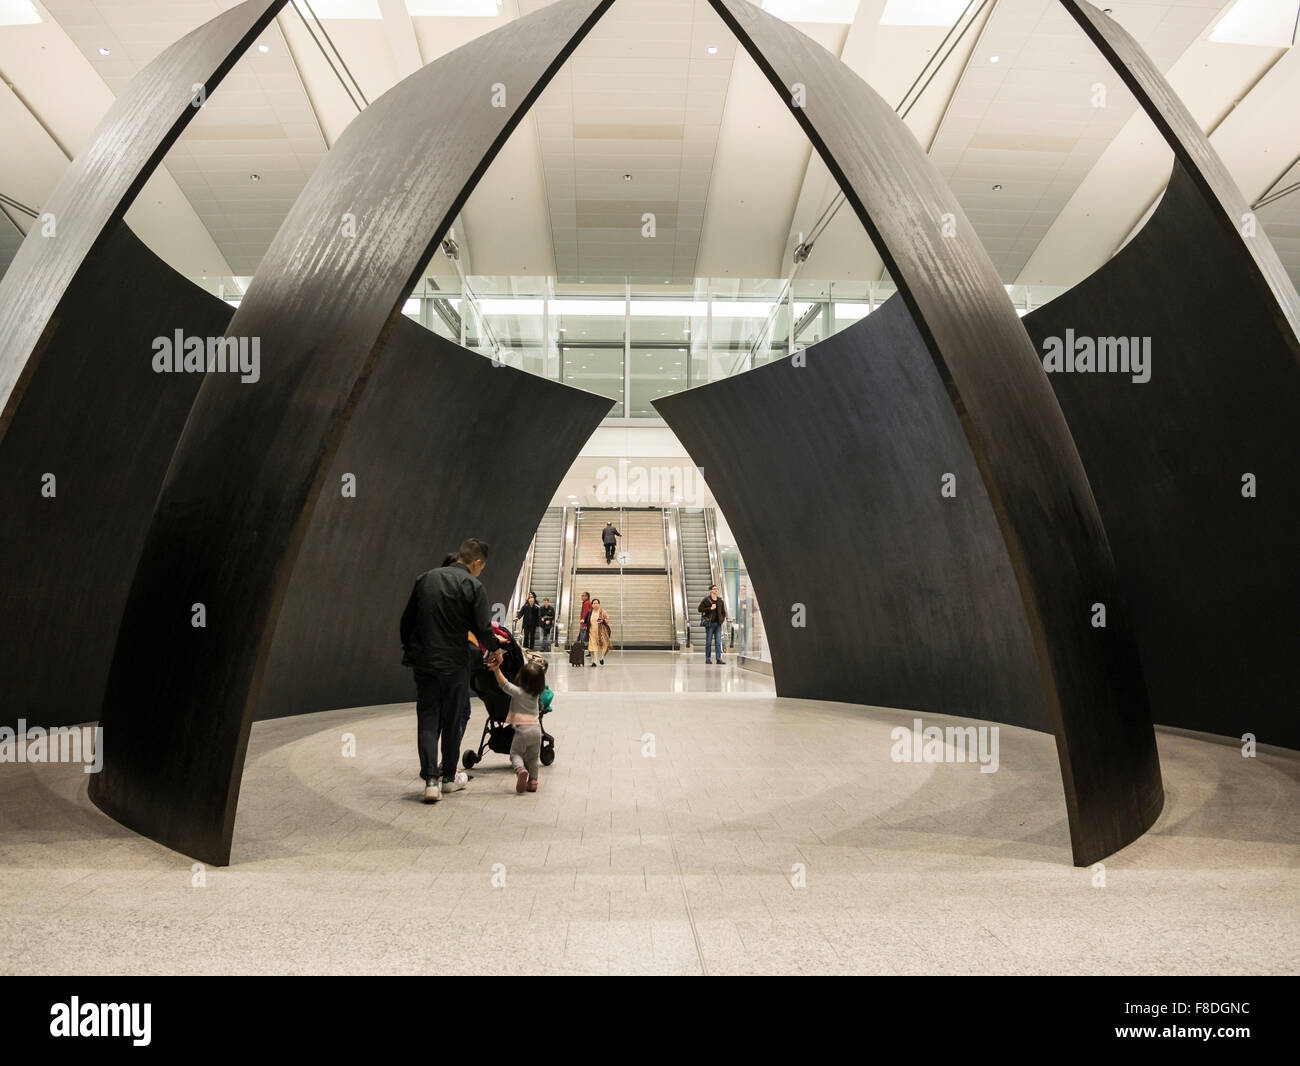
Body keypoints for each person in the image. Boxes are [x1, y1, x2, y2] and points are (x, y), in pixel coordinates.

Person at [400, 538, 502, 803]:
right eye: (482, 567)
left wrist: (411, 648)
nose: (481, 571)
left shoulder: (425, 579)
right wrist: (495, 650)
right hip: (455, 664)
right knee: (452, 719)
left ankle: (430, 781)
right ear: (477, 562)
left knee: (428, 718)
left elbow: (407, 620)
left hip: (425, 663)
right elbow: (482, 628)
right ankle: (448, 778)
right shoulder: (473, 585)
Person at [490, 656, 547, 794]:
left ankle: (520, 770)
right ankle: (533, 781)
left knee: (515, 754)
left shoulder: (518, 692)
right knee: (533, 758)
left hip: (522, 731)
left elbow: (504, 684)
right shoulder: (537, 694)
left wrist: (496, 669)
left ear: (522, 679)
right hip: (536, 730)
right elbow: (538, 676)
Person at [698, 584, 727, 665]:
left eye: (717, 589)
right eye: (714, 589)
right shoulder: (706, 600)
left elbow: (723, 612)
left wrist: (722, 619)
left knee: (718, 642)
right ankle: (708, 658)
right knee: (708, 642)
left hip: (718, 624)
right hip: (710, 624)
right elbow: (700, 609)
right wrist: (710, 608)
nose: (716, 590)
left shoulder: (720, 600)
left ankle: (718, 659)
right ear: (710, 590)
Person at [588, 597, 612, 666]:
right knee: (593, 647)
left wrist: (603, 621)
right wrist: (583, 621)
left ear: (599, 604)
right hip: (592, 632)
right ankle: (594, 662)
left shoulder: (602, 611)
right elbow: (586, 620)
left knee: (601, 647)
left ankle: (601, 658)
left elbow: (607, 620)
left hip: (600, 632)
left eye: (597, 603)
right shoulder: (590, 612)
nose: (595, 604)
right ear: (592, 605)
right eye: (594, 603)